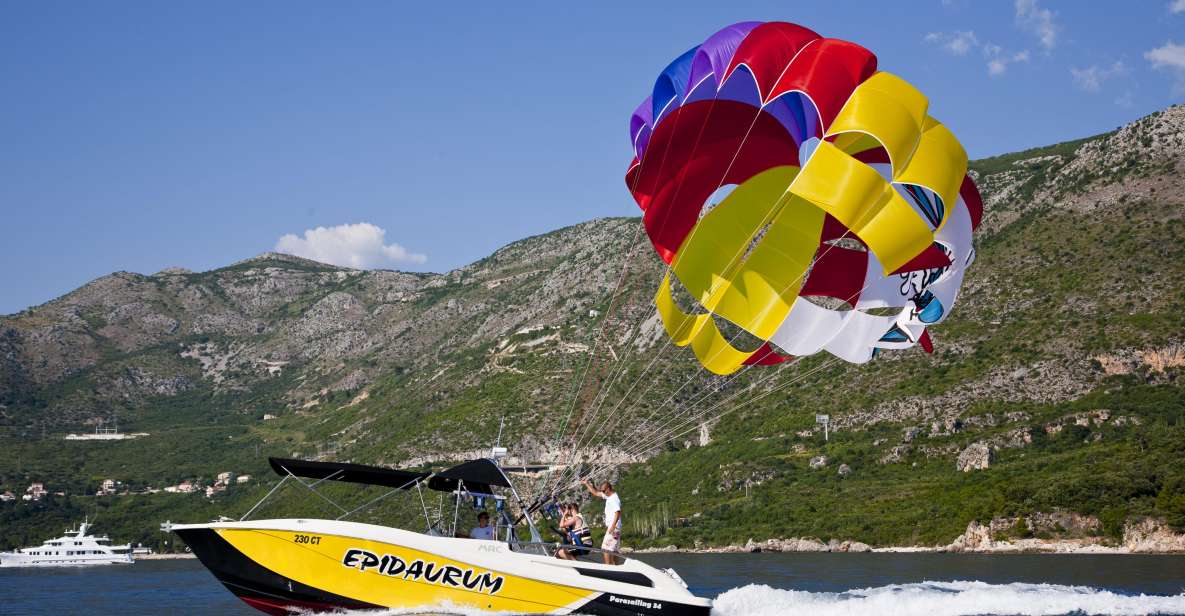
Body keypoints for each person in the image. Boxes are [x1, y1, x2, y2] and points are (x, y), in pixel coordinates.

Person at [582, 478, 621, 564]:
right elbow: (595, 493)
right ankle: (617, 568)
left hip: (614, 527)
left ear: (608, 489)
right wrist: (586, 483)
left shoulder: (614, 498)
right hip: (615, 527)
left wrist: (613, 526)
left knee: (605, 548)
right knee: (614, 550)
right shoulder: (609, 496)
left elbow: (618, 512)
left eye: (603, 490)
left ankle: (608, 567)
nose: (602, 492)